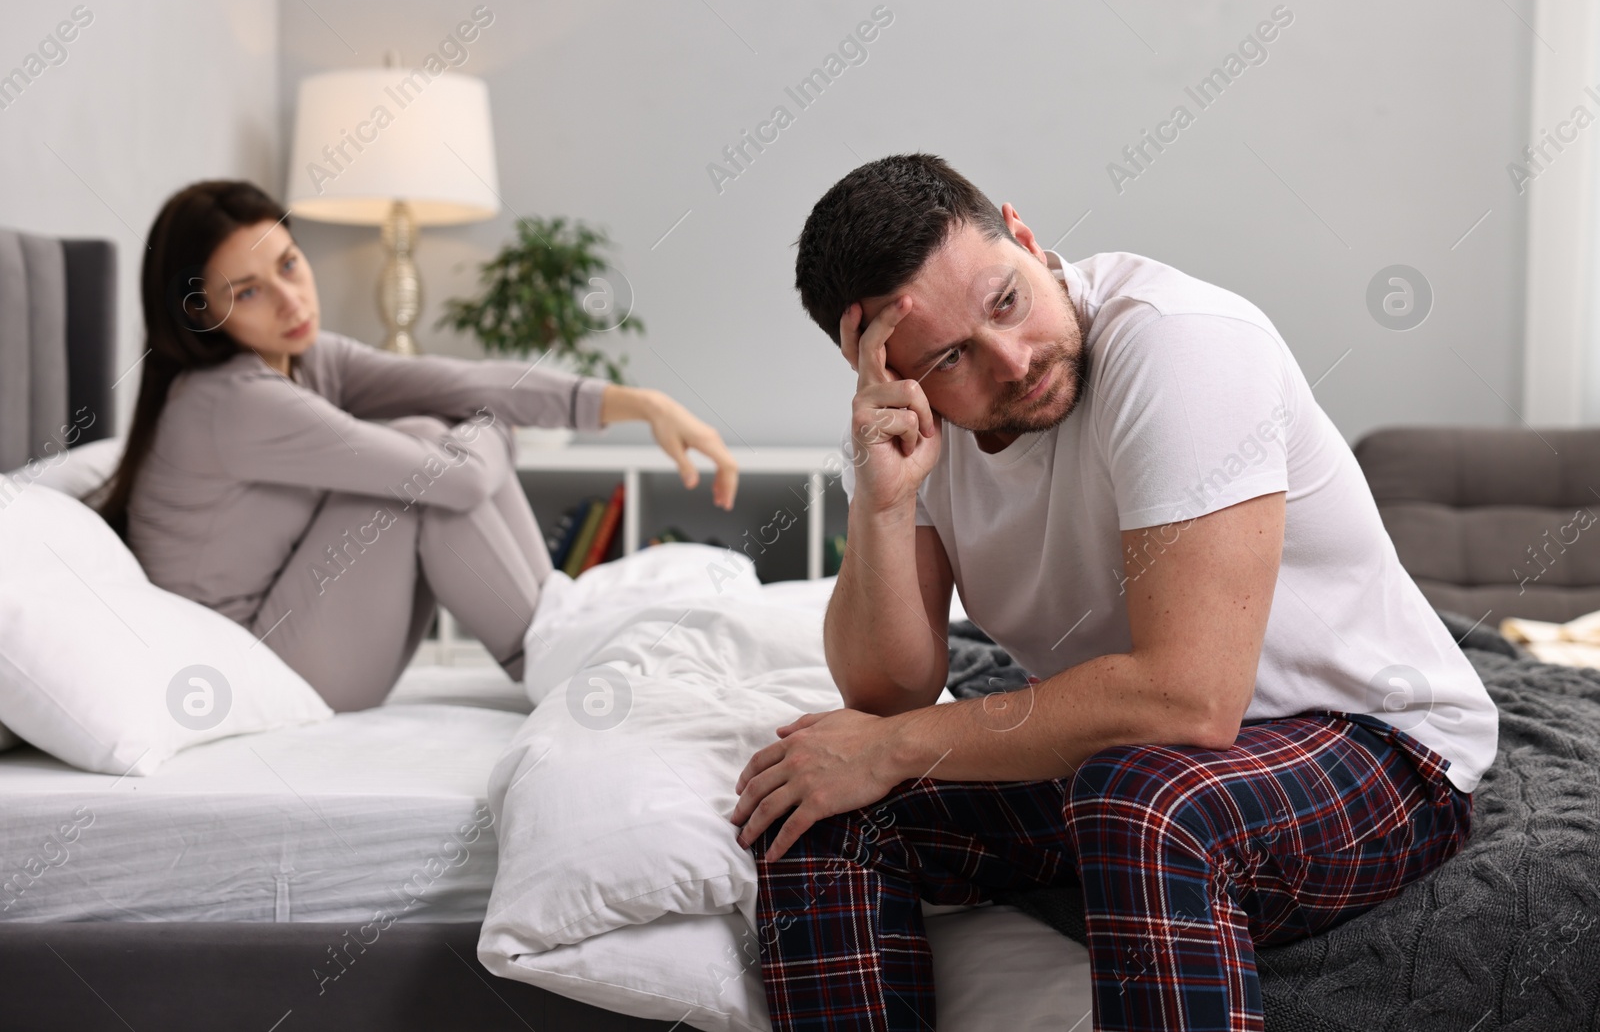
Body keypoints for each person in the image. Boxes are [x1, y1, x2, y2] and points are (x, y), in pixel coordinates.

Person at [727, 153, 1498, 1031]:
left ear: (1023, 235)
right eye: (950, 358)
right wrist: (880, 496)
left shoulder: (1181, 343)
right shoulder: (931, 433)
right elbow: (884, 693)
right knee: (818, 811)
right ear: (889, 374)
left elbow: (1190, 698)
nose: (1011, 361)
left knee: (1147, 801)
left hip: (1379, 742)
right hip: (1130, 751)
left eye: (1006, 300)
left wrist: (899, 744)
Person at [92, 179, 738, 712]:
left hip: (300, 631)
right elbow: (455, 476)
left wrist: (641, 403)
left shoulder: (305, 359)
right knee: (426, 452)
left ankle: (555, 642)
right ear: (203, 310)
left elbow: (465, 383)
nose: (291, 299)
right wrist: (488, 428)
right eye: (250, 291)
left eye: (289, 263)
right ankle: (556, 655)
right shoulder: (231, 403)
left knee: (435, 438)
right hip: (260, 674)